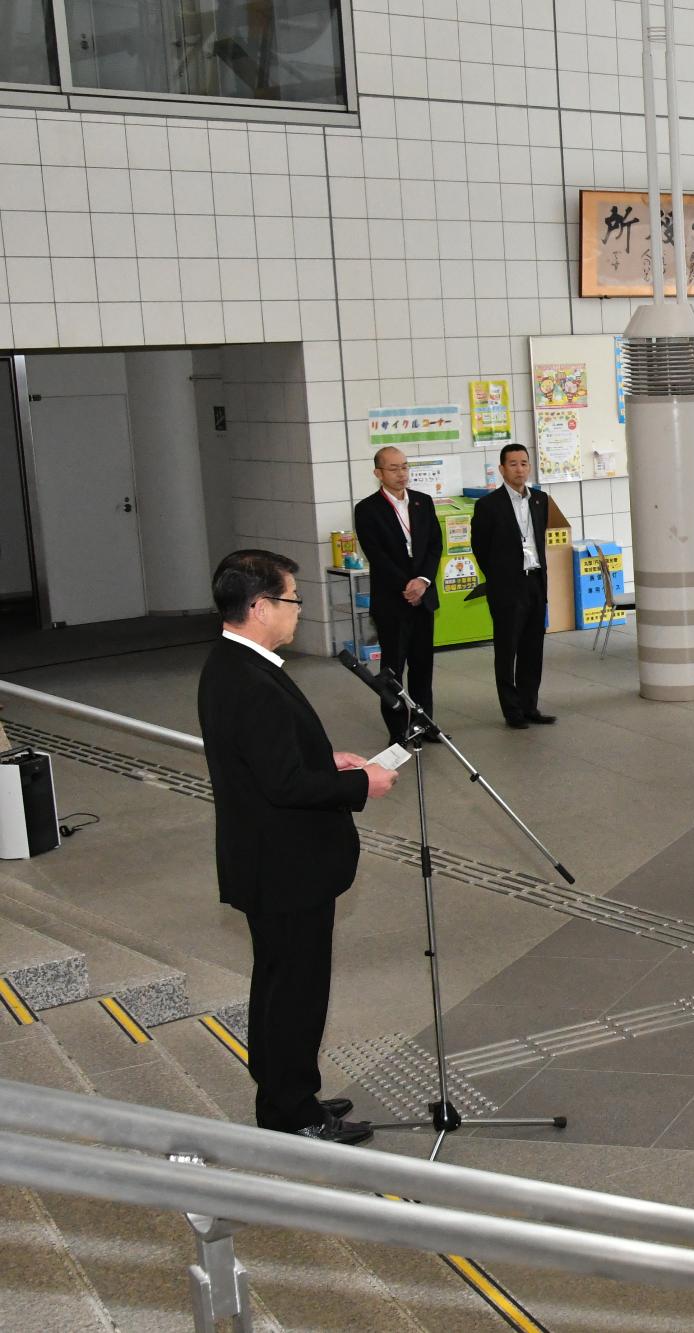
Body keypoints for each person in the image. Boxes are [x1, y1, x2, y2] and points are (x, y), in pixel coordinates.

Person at [198, 550, 396, 1144]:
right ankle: (294, 1112)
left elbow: (270, 760)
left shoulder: (236, 663)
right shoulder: (249, 678)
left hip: (272, 859)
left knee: (281, 982)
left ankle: (287, 1091)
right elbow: (282, 785)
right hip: (285, 866)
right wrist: (361, 783)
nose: (298, 611)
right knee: (296, 991)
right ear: (258, 607)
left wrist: (325, 760)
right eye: (291, 600)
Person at [352, 447, 442, 745]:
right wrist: (408, 585)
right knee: (393, 668)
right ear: (378, 473)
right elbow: (376, 555)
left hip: (423, 596)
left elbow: (434, 546)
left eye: (404, 467)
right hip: (393, 600)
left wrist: (424, 581)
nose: (401, 473)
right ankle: (397, 731)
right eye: (393, 468)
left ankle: (424, 724)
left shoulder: (423, 502)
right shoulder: (367, 509)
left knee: (422, 664)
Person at [469, 443, 555, 729]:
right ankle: (512, 710)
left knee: (534, 648)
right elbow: (480, 547)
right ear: (502, 469)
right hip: (507, 586)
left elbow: (540, 540)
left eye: (524, 463)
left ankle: (530, 705)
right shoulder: (488, 505)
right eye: (513, 464)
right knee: (507, 650)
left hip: (535, 581)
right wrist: (500, 577)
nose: (520, 469)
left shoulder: (541, 500)